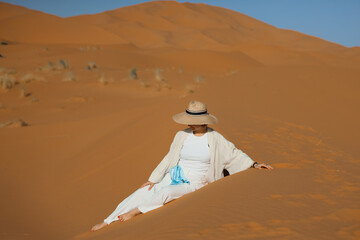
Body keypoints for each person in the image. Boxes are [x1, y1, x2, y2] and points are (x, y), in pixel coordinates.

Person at [91, 100, 273, 232]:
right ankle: (108, 221)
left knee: (165, 193)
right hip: (175, 175)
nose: (189, 123)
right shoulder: (181, 135)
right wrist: (153, 179)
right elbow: (169, 158)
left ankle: (134, 213)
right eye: (188, 119)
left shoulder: (215, 138)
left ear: (204, 120)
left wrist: (254, 164)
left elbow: (233, 154)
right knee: (142, 192)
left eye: (192, 121)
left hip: (196, 182)